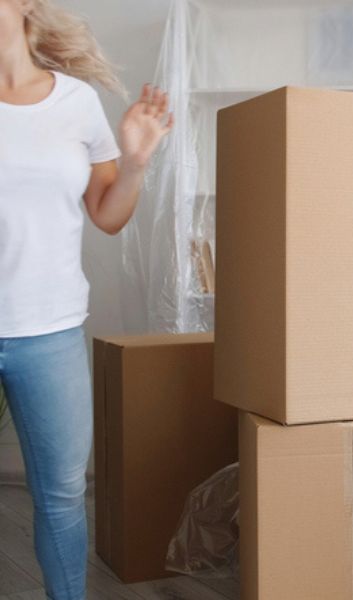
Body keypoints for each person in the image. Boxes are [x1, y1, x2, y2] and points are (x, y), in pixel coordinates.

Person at [0, 1, 172, 597]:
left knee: (61, 496)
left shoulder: (74, 102)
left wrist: (134, 163)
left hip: (49, 331)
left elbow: (107, 214)